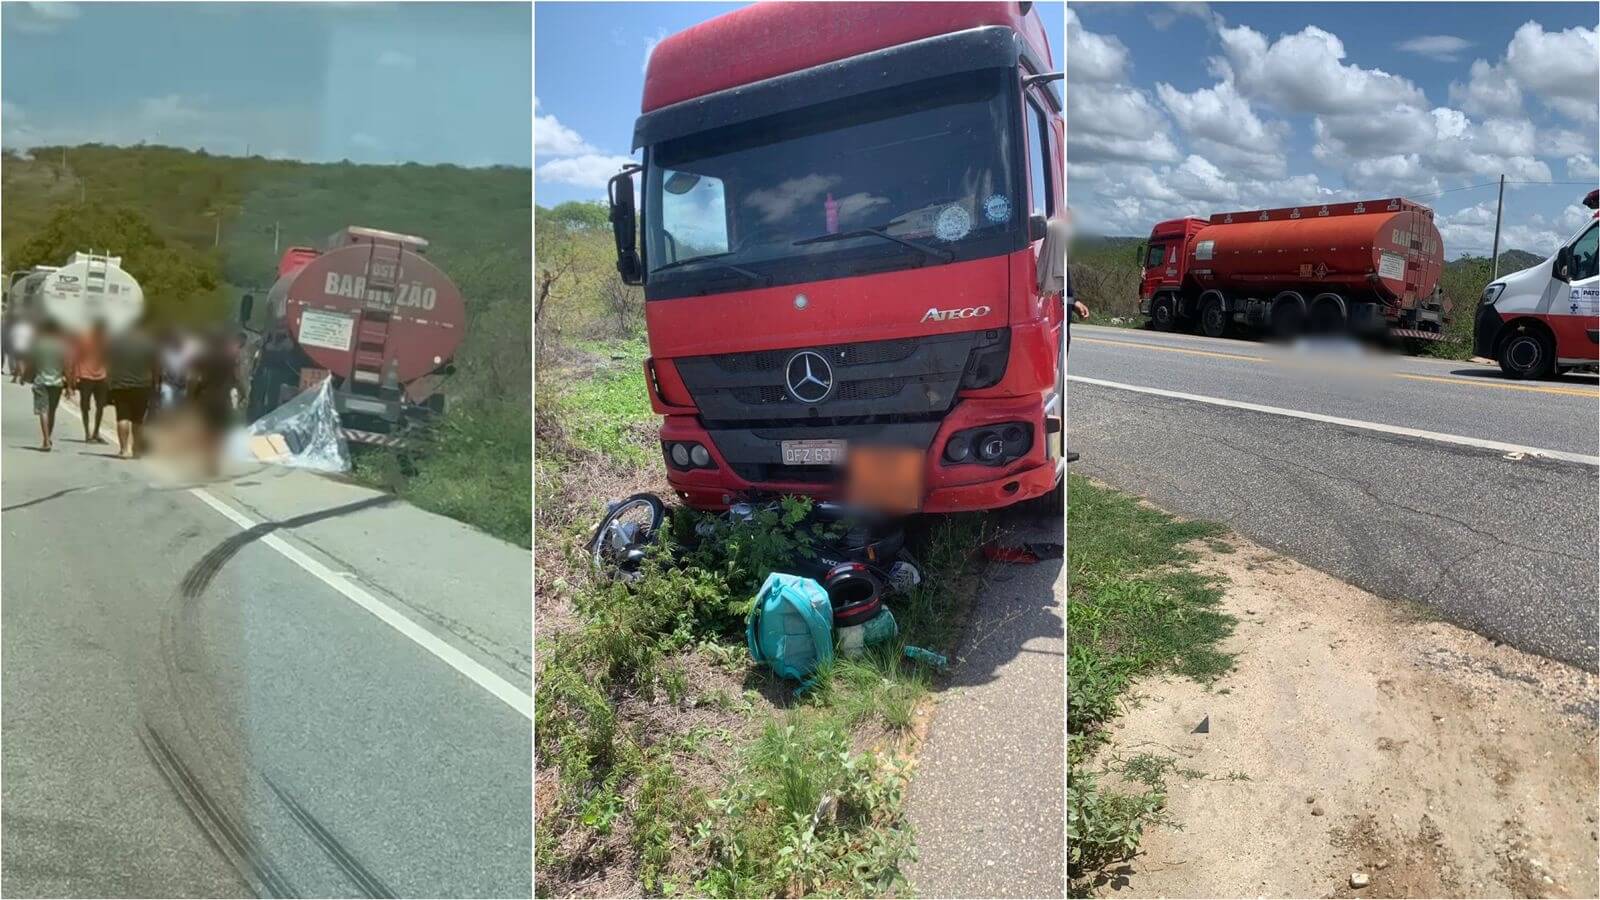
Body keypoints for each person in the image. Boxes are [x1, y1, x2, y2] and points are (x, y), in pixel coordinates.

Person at [105, 324, 161, 459]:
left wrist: (110, 382)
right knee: (138, 419)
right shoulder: (148, 344)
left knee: (122, 416)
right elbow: (156, 365)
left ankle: (124, 449)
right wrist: (156, 381)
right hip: (142, 385)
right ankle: (136, 449)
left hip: (120, 385)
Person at [24, 319, 69, 451]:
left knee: (43, 410)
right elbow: (66, 366)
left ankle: (46, 440)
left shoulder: (38, 344)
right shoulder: (62, 346)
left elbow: (30, 362)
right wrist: (70, 385)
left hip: (41, 380)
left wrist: (25, 376)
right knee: (52, 411)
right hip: (57, 382)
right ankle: (48, 437)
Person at [67, 320, 111, 443]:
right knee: (85, 406)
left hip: (101, 376)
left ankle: (95, 432)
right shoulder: (84, 339)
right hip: (86, 376)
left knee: (100, 406)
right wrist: (74, 377)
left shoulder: (106, 340)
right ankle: (87, 433)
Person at [9, 314, 34, 384]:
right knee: (20, 362)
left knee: (18, 362)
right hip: (26, 348)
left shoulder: (17, 328)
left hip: (18, 347)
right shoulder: (29, 328)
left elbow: (12, 337)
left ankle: (22, 375)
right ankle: (14, 378)